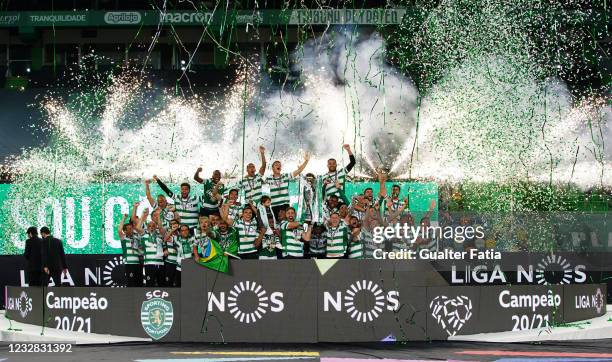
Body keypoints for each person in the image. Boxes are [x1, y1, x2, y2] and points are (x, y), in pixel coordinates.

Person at [266, 152, 310, 219]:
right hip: (274, 205)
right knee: (277, 225)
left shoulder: (285, 176)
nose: (278, 166)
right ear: (272, 168)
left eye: (280, 165)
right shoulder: (268, 178)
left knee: (287, 223)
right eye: (276, 165)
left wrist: (306, 161)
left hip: (285, 205)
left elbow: (298, 170)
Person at [135, 208, 166, 287]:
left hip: (160, 264)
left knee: (161, 284)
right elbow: (138, 228)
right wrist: (143, 216)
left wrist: (158, 216)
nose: (151, 227)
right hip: (149, 264)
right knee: (150, 284)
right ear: (147, 227)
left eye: (153, 226)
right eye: (149, 226)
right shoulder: (144, 235)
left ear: (156, 227)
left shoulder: (160, 235)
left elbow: (161, 227)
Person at [118, 213, 143, 287]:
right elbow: (119, 230)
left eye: (131, 228)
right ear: (125, 231)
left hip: (137, 263)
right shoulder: (123, 238)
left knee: (138, 283)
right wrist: (124, 218)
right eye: (129, 229)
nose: (131, 230)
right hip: (129, 263)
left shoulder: (136, 238)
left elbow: (140, 248)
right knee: (131, 283)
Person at [162, 219, 181, 287]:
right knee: (168, 282)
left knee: (177, 283)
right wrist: (172, 230)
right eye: (172, 224)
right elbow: (165, 239)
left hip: (179, 263)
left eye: (175, 223)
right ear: (170, 226)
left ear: (178, 225)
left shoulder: (181, 234)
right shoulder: (168, 234)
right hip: (169, 262)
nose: (174, 225)